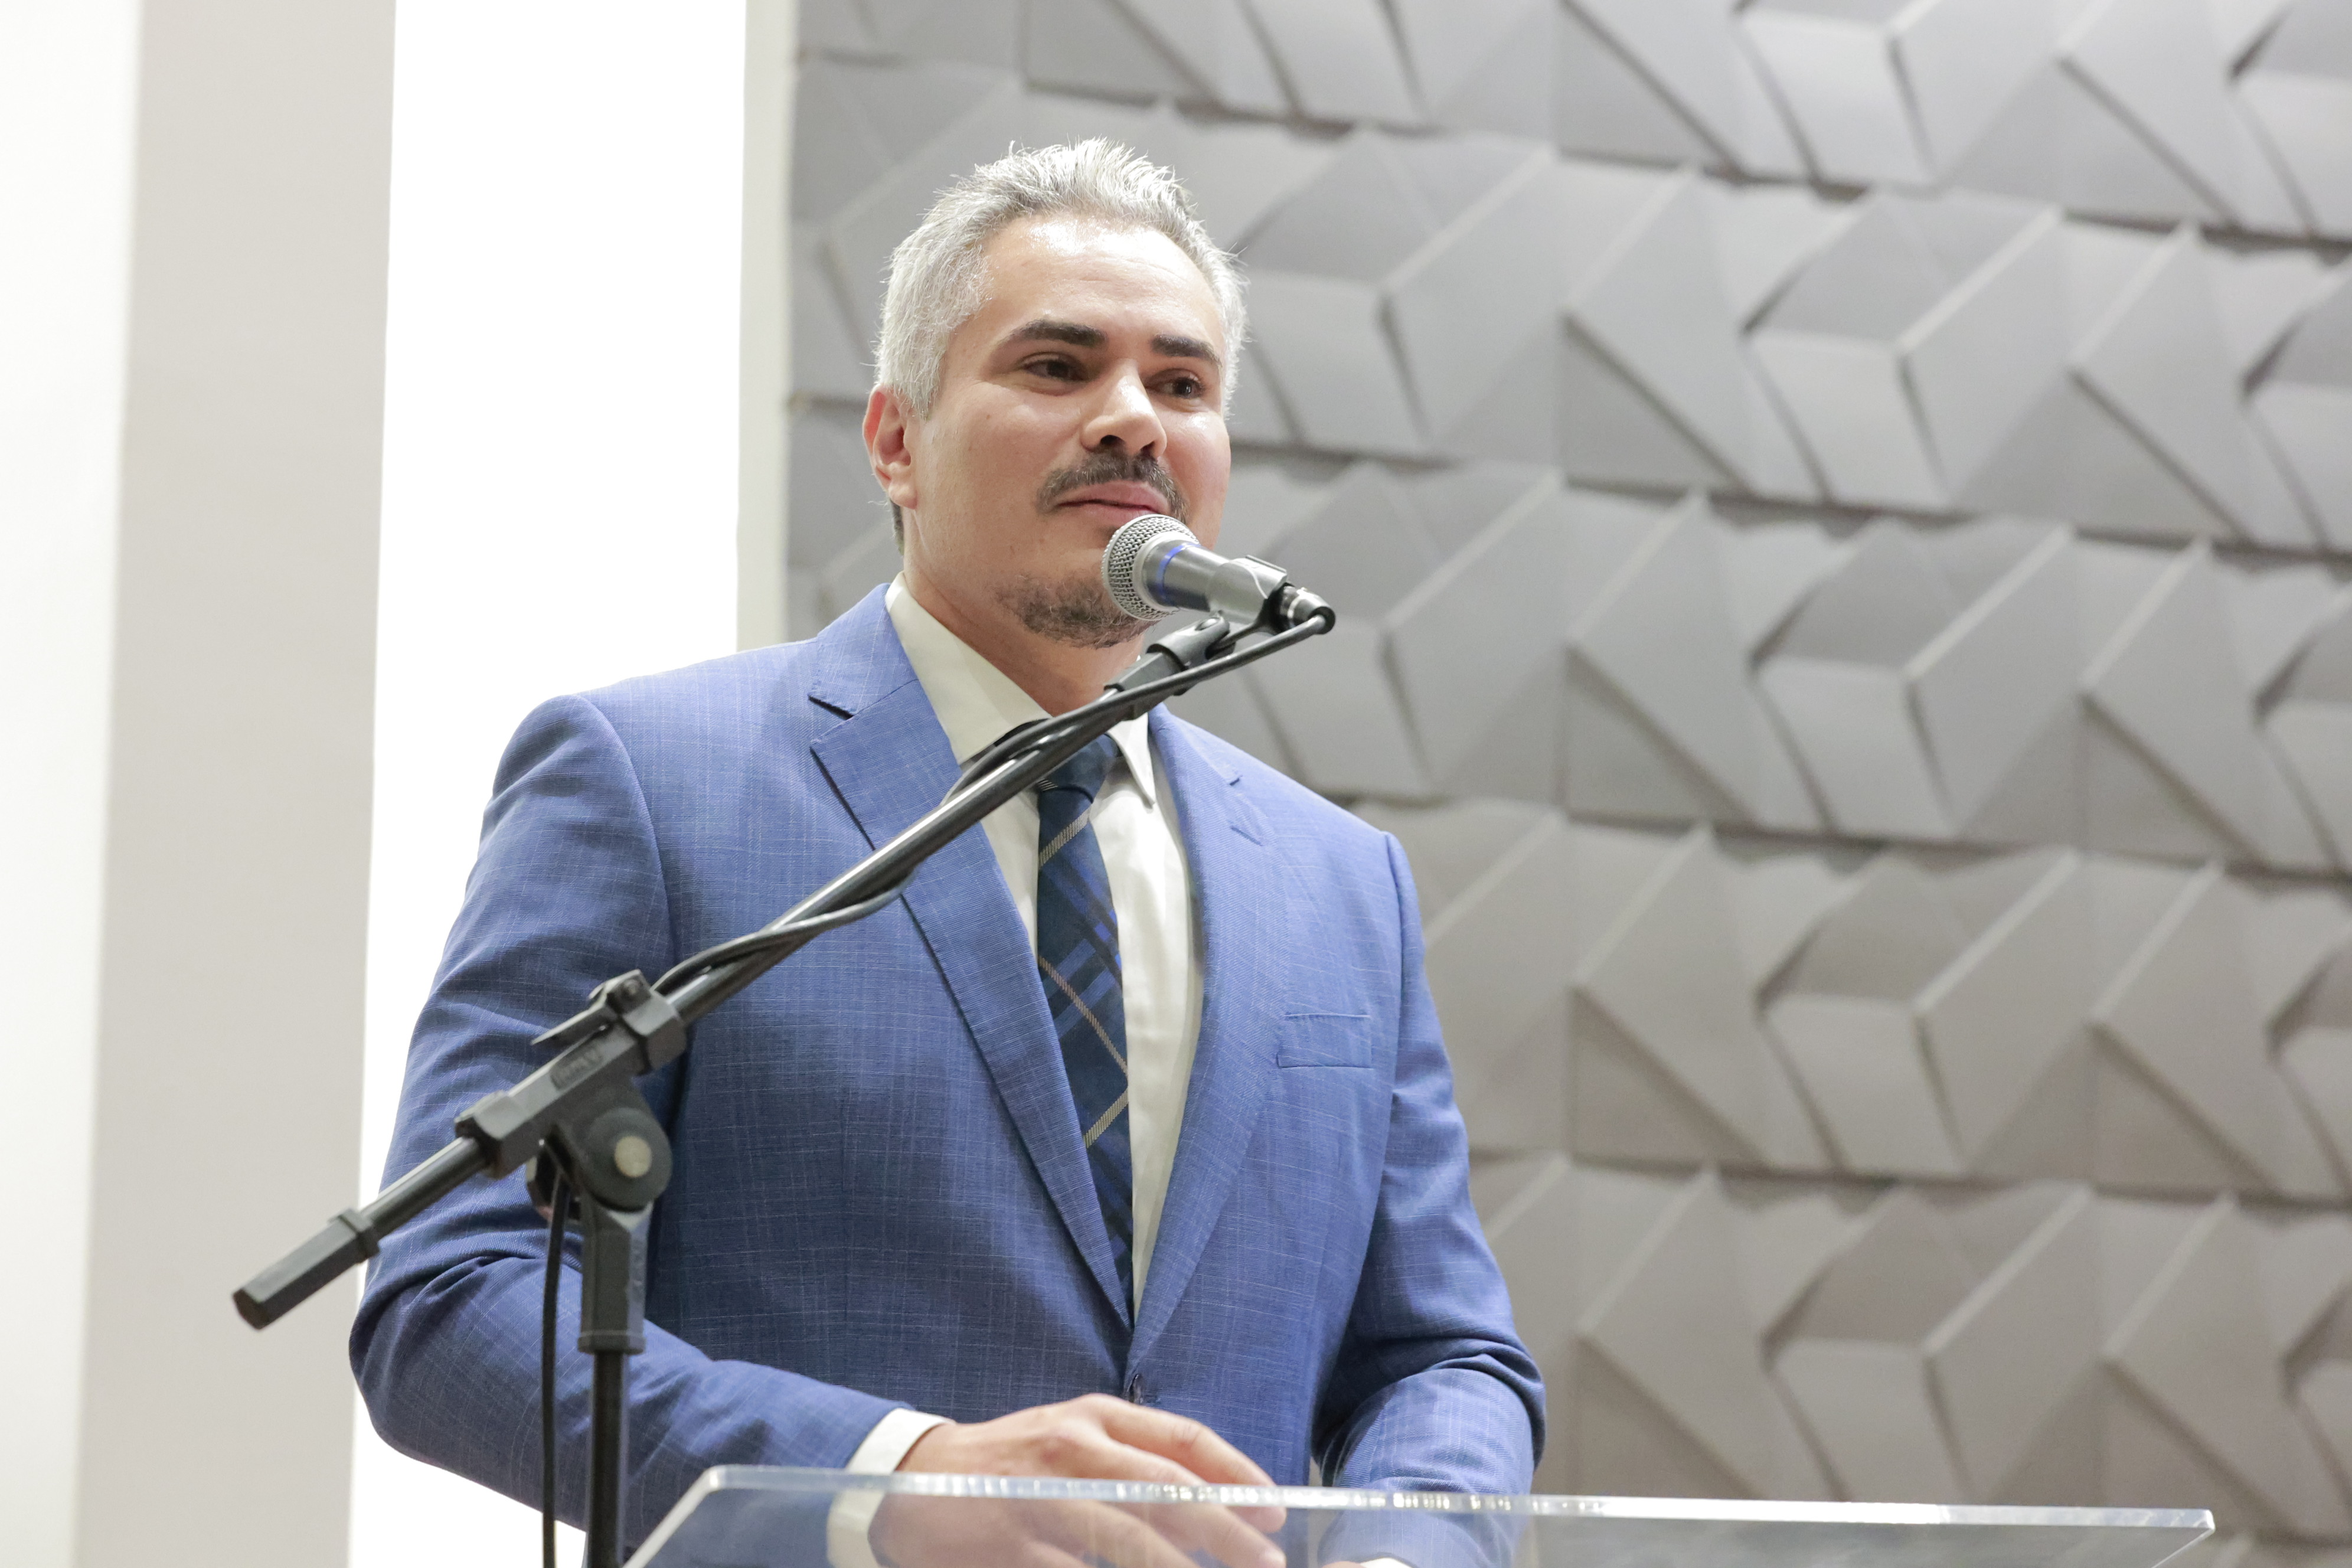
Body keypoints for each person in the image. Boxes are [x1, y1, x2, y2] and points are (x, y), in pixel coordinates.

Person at [352, 139, 1543, 1559]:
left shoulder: (1342, 881)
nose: (1133, 419)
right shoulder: (648, 781)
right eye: (1057, 366)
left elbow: (1445, 1356)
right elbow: (450, 1296)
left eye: (1183, 385)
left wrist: (1407, 1552)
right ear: (896, 443)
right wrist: (887, 1475)